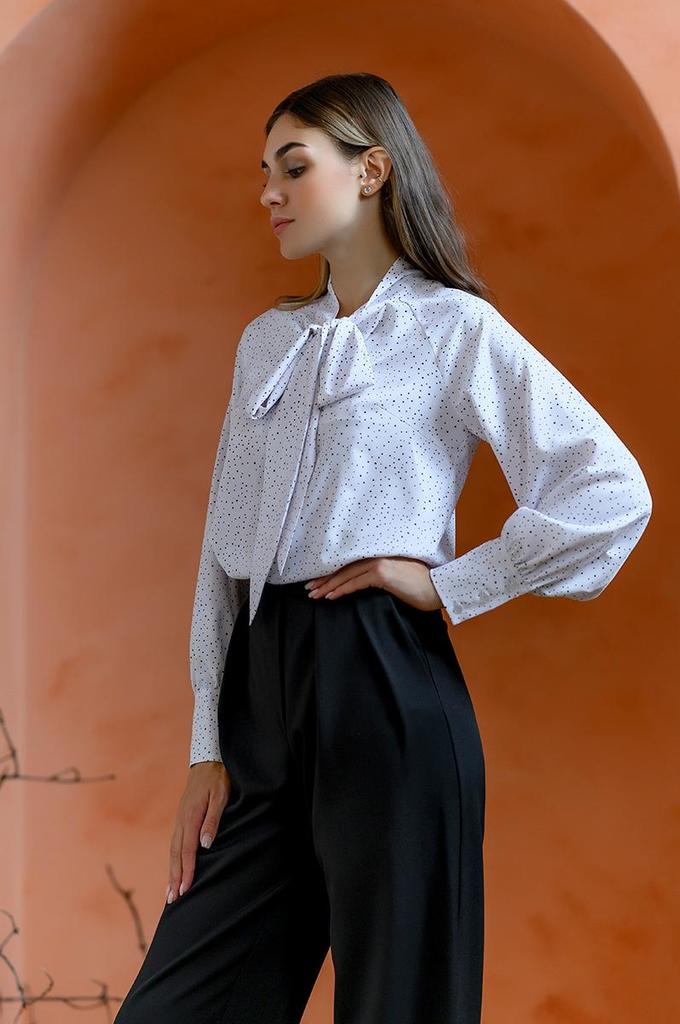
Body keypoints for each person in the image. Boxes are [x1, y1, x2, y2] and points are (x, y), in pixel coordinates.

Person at [114, 72, 653, 1024]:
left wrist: (454, 582)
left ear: (371, 171)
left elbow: (611, 490)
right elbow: (222, 554)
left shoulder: (453, 329)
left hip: (385, 686)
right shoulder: (268, 343)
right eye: (263, 173)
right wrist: (207, 745)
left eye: (293, 167)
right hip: (262, 696)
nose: (269, 193)